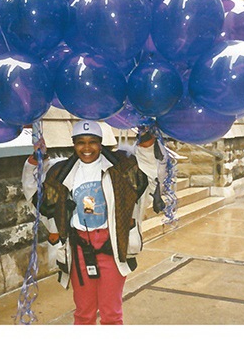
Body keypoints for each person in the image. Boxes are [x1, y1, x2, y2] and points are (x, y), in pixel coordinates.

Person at [20, 120, 160, 325]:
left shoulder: (121, 169)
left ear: (101, 143)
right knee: (83, 312)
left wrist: (147, 145)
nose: (87, 148)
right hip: (79, 249)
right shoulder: (61, 173)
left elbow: (149, 175)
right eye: (80, 142)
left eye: (92, 142)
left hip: (112, 246)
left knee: (111, 313)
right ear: (73, 144)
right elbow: (35, 194)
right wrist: (35, 160)